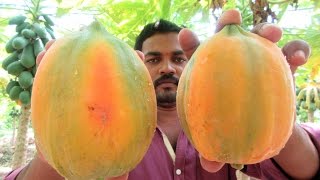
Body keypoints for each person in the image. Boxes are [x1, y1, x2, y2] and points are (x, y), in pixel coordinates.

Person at [5, 9, 320, 180]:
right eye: (153, 59)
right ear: (134, 69)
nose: (167, 68)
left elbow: (307, 168)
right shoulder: (104, 137)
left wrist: (272, 110)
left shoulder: (222, 124)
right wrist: (53, 152)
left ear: (195, 66)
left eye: (179, 58)